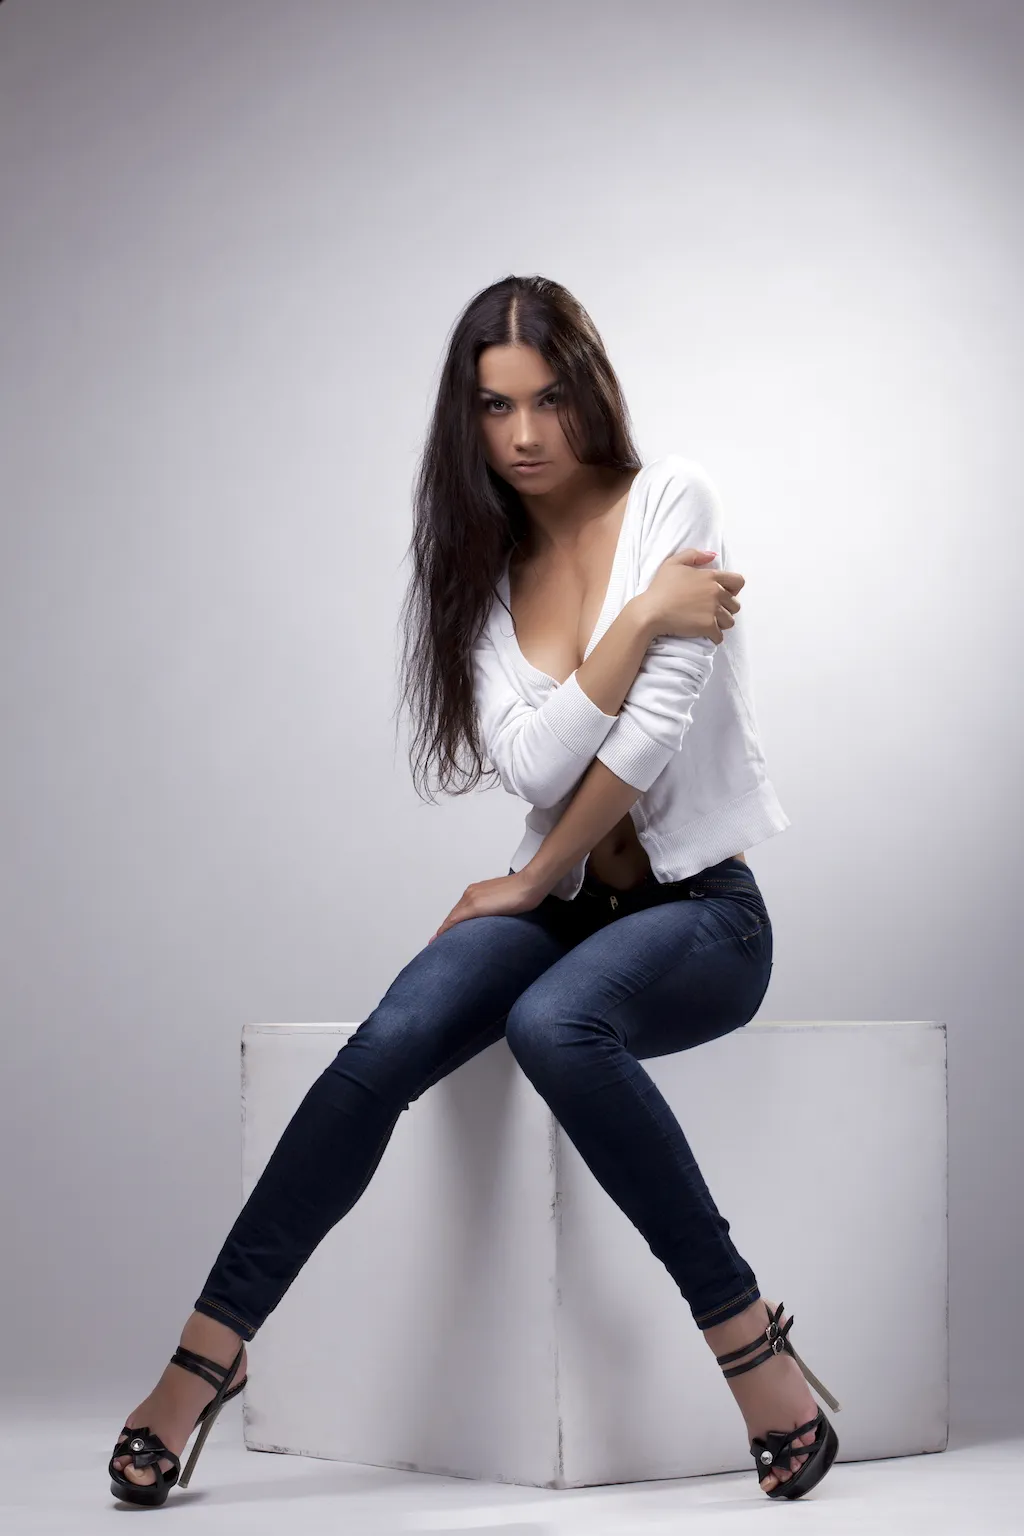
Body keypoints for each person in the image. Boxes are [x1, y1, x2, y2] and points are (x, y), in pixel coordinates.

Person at [109, 275, 839, 1507]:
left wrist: (531, 873)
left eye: (548, 398)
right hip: (561, 905)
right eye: (496, 407)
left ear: (588, 388)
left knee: (554, 1024)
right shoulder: (484, 577)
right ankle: (204, 1358)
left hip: (703, 913)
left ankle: (747, 1344)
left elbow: (650, 737)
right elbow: (537, 764)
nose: (526, 434)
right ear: (468, 419)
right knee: (385, 1044)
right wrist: (639, 623)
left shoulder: (675, 499)